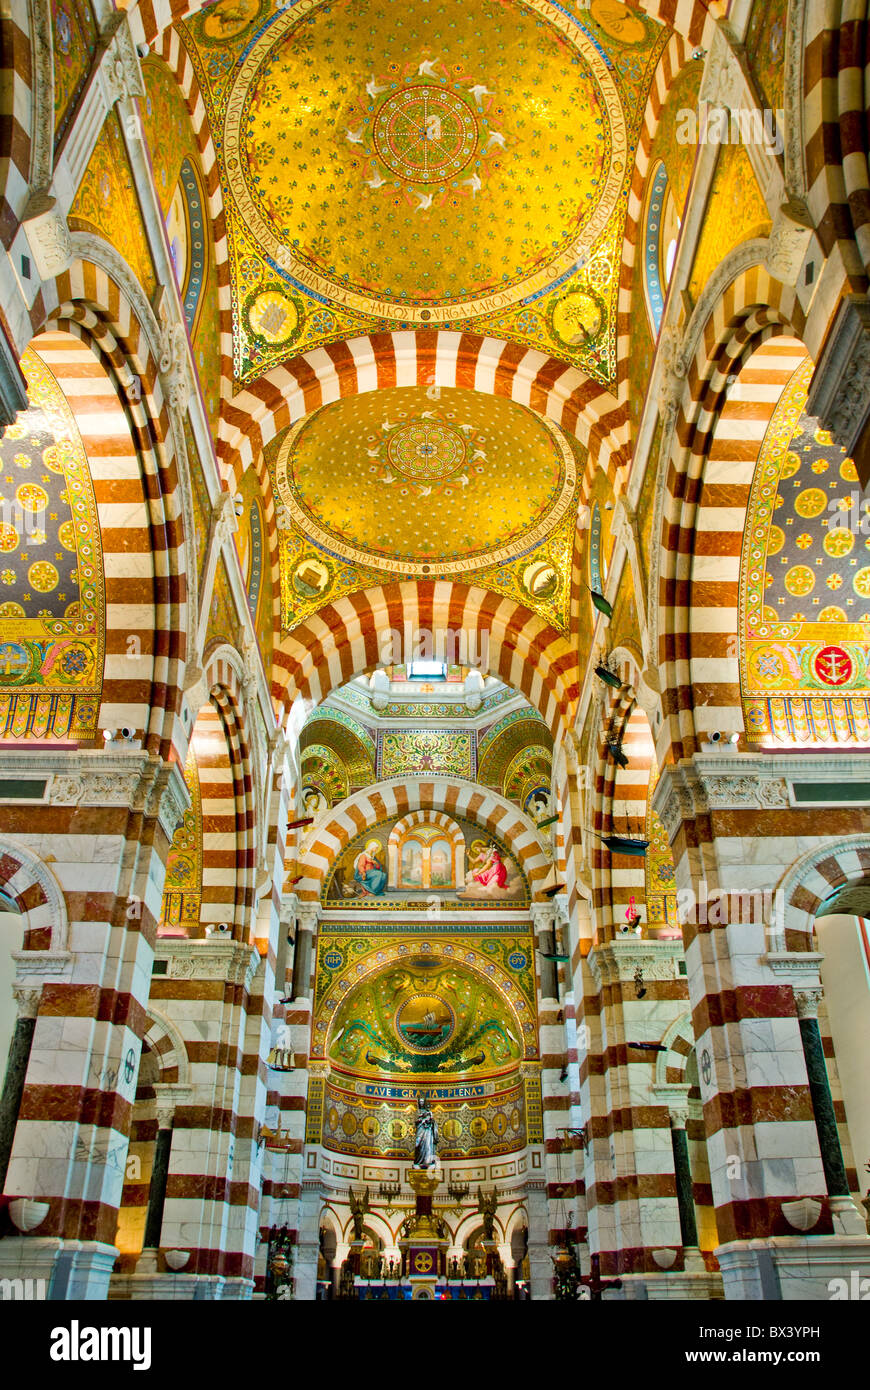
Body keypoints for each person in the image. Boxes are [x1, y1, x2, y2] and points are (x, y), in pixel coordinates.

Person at [413, 1093, 438, 1169]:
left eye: (422, 1101)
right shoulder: (417, 1111)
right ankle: (418, 1161)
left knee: (427, 1145)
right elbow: (416, 1121)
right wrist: (421, 1119)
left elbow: (432, 1121)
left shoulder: (429, 1111)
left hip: (427, 1131)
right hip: (420, 1130)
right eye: (420, 1101)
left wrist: (430, 1121)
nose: (421, 1103)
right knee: (418, 1145)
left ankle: (428, 1161)